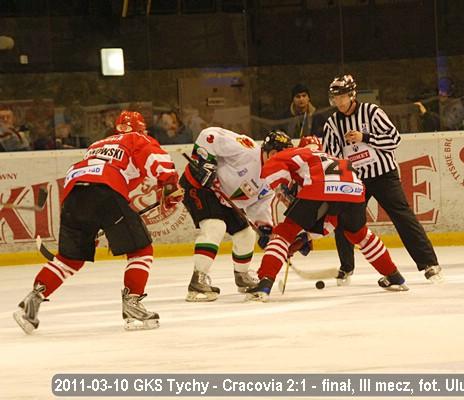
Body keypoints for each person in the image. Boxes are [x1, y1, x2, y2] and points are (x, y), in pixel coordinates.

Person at [13, 110, 183, 334]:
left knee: (69, 259)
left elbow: (115, 181)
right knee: (141, 250)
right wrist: (169, 186)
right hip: (105, 190)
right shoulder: (136, 138)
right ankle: (132, 304)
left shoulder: (97, 145)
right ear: (141, 128)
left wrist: (98, 223)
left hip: (74, 191)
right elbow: (155, 158)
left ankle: (31, 302)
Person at [246, 130, 409, 302]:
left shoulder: (290, 154)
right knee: (359, 234)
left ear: (272, 152)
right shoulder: (328, 157)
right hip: (354, 188)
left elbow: (273, 169)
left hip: (320, 187)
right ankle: (395, 277)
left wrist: (282, 188)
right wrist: (304, 238)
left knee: (284, 232)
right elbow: (331, 220)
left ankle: (264, 284)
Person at [322, 74, 442, 284]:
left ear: (352, 94)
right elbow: (331, 154)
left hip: (383, 175)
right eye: (335, 98)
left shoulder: (372, 112)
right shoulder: (332, 123)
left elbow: (394, 139)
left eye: (342, 96)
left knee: (403, 217)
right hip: (355, 180)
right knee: (345, 222)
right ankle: (346, 268)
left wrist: (364, 137)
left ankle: (429, 264)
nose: (339, 102)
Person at [179, 127, 274, 301]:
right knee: (215, 226)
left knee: (246, 234)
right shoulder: (247, 148)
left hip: (224, 198)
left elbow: (258, 207)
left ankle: (242, 276)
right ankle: (197, 281)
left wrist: (265, 229)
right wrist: (204, 162)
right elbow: (209, 135)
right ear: (272, 153)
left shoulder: (271, 179)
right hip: (199, 186)